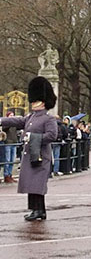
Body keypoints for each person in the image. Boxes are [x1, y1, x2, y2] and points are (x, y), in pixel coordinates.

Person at [0, 77, 58, 221]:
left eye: (35, 101)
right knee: (31, 184)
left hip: (41, 156)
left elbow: (52, 135)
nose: (32, 103)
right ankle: (37, 210)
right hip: (31, 156)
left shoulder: (48, 118)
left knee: (37, 185)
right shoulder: (30, 117)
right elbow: (16, 121)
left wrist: (33, 137)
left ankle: (38, 210)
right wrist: (1, 120)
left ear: (42, 102)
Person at [2, 111, 18, 183]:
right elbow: (4, 129)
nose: (12, 117)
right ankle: (6, 175)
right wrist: (10, 123)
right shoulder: (6, 123)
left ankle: (10, 174)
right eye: (10, 116)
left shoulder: (15, 124)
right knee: (7, 160)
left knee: (12, 160)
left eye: (13, 115)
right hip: (8, 142)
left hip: (14, 142)